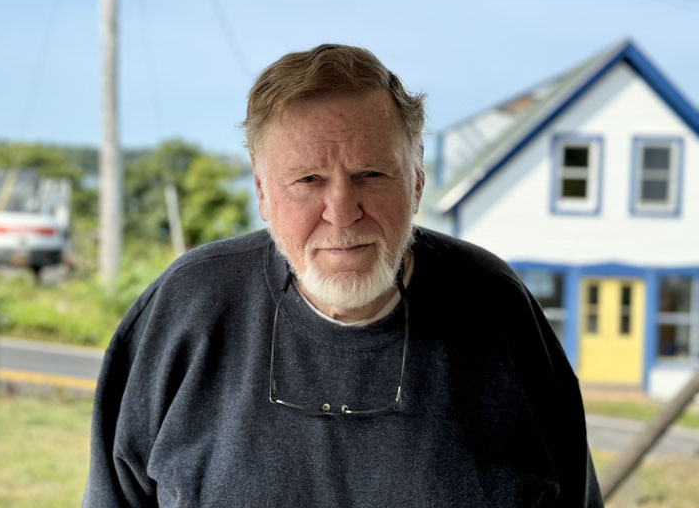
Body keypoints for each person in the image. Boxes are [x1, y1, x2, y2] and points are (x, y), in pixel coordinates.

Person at [83, 44, 603, 507]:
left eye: (371, 175)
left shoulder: (498, 308)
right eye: (308, 180)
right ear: (262, 191)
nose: (341, 210)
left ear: (417, 177)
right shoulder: (185, 309)